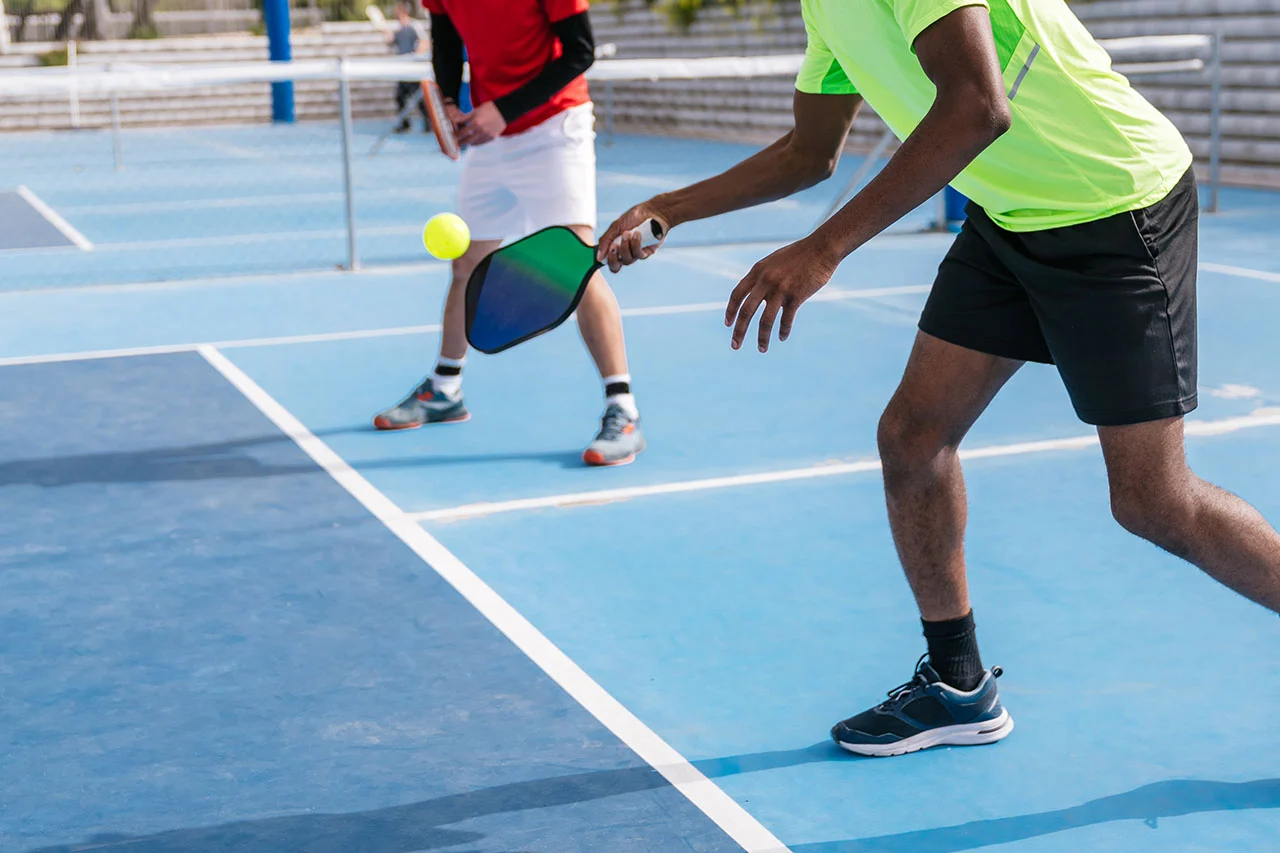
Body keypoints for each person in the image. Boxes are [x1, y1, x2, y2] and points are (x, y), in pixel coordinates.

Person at [602, 0, 1280, 756]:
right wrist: (668, 209)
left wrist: (823, 250)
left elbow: (975, 107)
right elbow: (808, 151)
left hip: (1112, 207)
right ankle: (959, 685)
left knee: (1155, 501)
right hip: (1014, 215)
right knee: (913, 437)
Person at [374, 0, 645, 467]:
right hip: (489, 138)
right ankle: (445, 390)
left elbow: (580, 51)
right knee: (467, 264)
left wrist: (503, 109)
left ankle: (623, 410)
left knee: (574, 264)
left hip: (555, 128)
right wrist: (452, 105)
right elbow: (445, 39)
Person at [384, 2, 429, 134]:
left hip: (413, 69)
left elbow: (424, 42)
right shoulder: (398, 30)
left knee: (419, 97)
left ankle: (428, 122)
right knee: (400, 97)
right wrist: (387, 35)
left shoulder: (415, 26)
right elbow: (391, 43)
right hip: (402, 69)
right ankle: (404, 123)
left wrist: (415, 56)